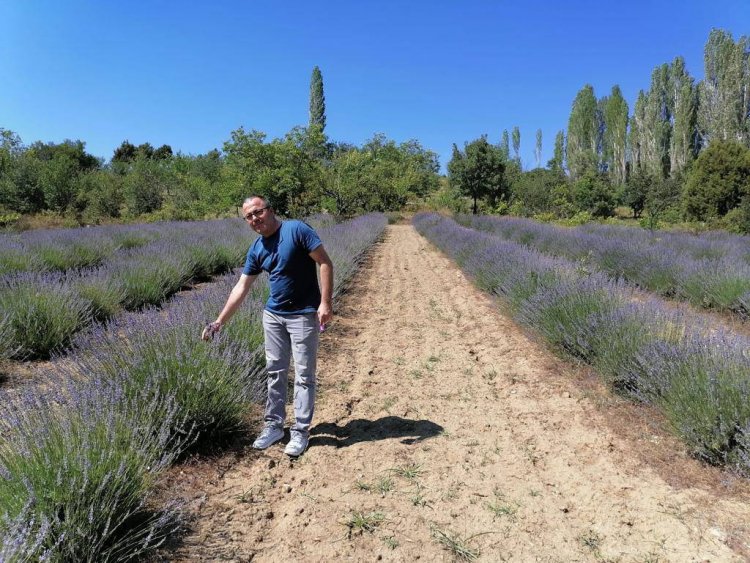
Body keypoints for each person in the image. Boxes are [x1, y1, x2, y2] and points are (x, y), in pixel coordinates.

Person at [202, 196, 333, 457]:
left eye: (258, 212)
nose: (254, 219)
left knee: (305, 375)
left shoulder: (297, 230)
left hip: (303, 315)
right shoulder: (257, 248)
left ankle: (300, 430)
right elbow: (242, 286)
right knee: (275, 371)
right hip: (273, 316)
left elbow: (325, 262)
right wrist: (219, 321)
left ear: (270, 210)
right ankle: (274, 426)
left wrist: (325, 303)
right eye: (249, 216)